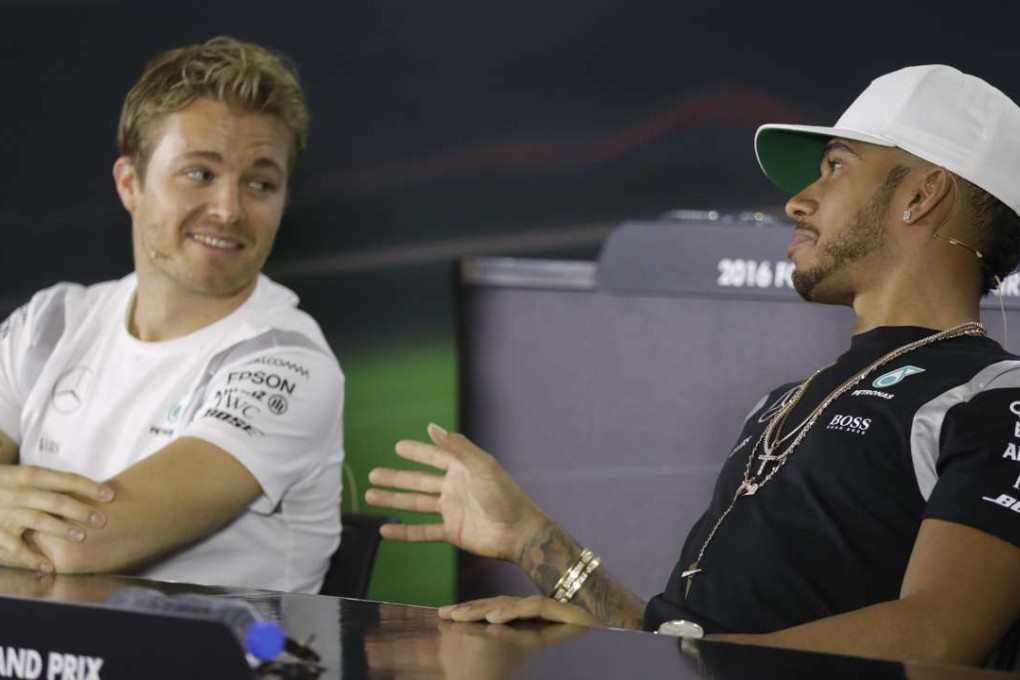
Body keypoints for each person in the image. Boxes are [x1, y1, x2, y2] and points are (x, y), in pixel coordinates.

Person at [366, 64, 1020, 667]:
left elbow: (938, 638)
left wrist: (683, 659)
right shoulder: (783, 404)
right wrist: (534, 540)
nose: (798, 200)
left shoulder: (996, 398)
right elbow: (682, 642)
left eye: (835, 167)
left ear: (923, 193)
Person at [0, 36, 344, 593]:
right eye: (200, 174)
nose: (229, 209)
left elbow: (75, 544)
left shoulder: (289, 363)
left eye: (259, 183)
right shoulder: (52, 322)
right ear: (130, 183)